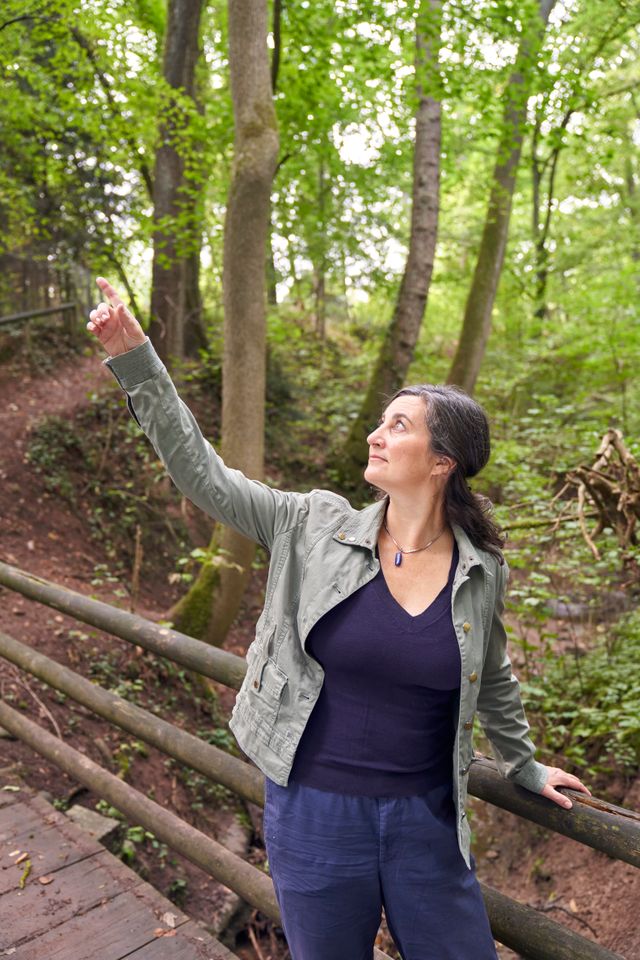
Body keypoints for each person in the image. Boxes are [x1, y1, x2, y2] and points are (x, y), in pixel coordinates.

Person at [88, 277, 591, 960]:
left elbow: (493, 674)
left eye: (398, 426)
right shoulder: (310, 524)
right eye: (381, 422)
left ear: (443, 462)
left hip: (427, 819)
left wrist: (524, 767)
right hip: (314, 814)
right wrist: (137, 361)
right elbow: (203, 474)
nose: (375, 435)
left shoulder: (481, 569)